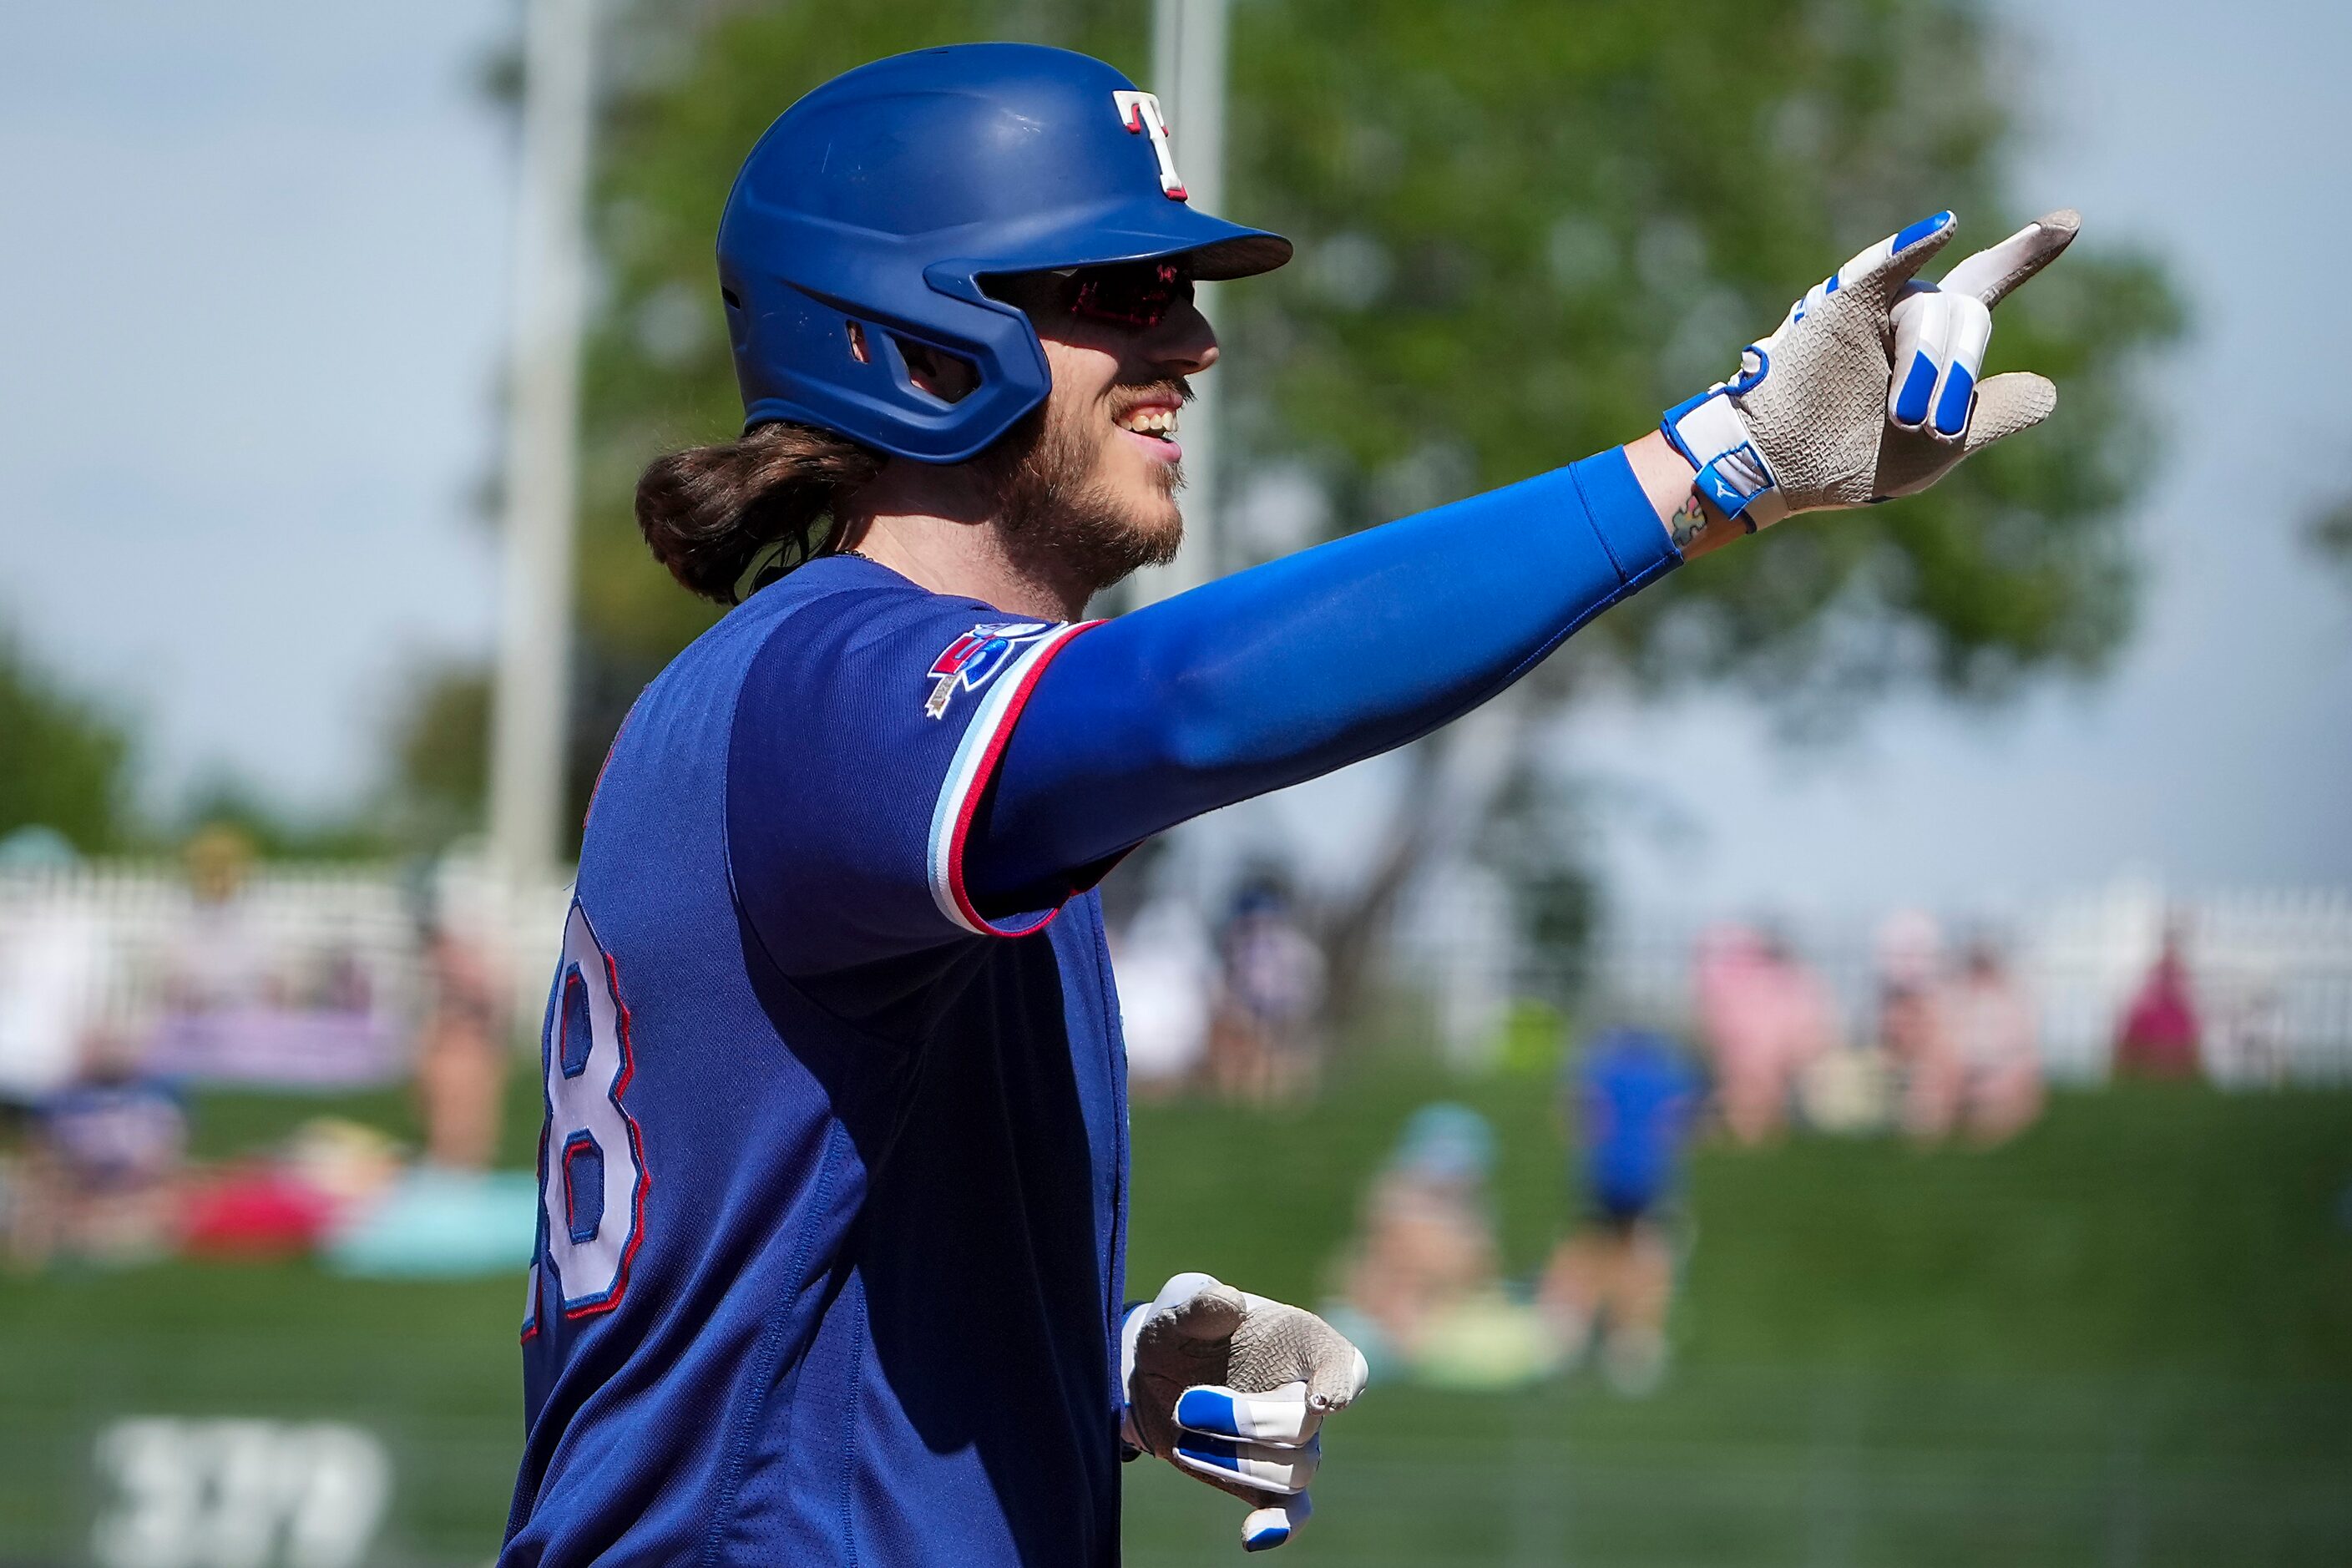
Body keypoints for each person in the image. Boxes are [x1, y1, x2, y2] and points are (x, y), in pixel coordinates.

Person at [500, 43, 2077, 1566]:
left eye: (1179, 291)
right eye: (1119, 290)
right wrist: (1716, 462)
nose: (1188, 341)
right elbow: (1193, 701)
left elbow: (764, 1292)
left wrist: (1083, 1364)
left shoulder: (859, 736)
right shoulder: (827, 690)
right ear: (907, 338)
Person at [1538, 1026, 1701, 1395]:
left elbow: (1576, 1114)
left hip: (1604, 1176)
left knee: (1596, 1248)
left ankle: (1573, 1331)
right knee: (1640, 1253)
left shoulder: (1602, 1070)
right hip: (1648, 1179)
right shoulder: (1666, 1074)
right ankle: (1630, 1340)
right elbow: (1682, 1121)